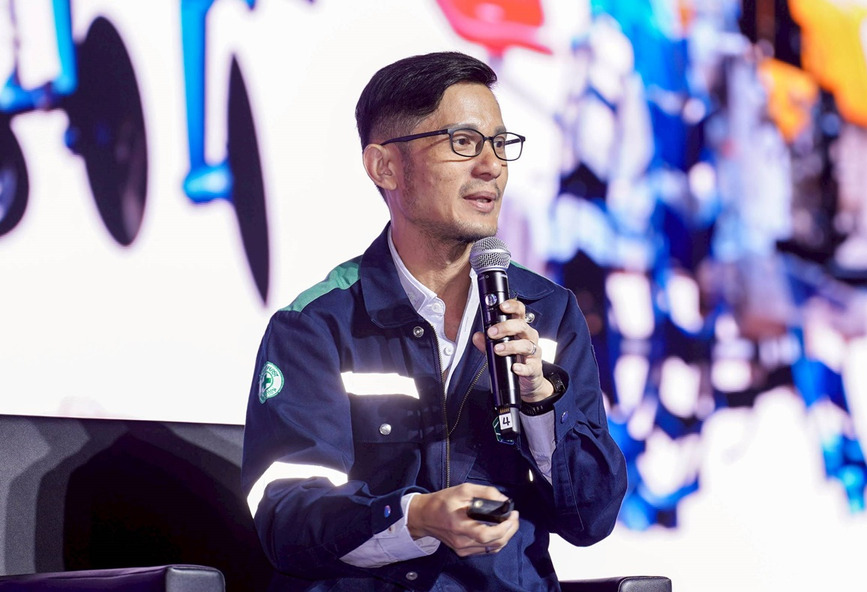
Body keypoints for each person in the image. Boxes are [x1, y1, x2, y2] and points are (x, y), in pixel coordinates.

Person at [241, 51, 627, 591]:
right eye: (463, 142)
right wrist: (417, 518)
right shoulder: (317, 325)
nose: (491, 166)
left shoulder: (549, 311)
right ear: (385, 166)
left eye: (500, 144)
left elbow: (591, 517)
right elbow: (288, 519)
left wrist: (541, 399)